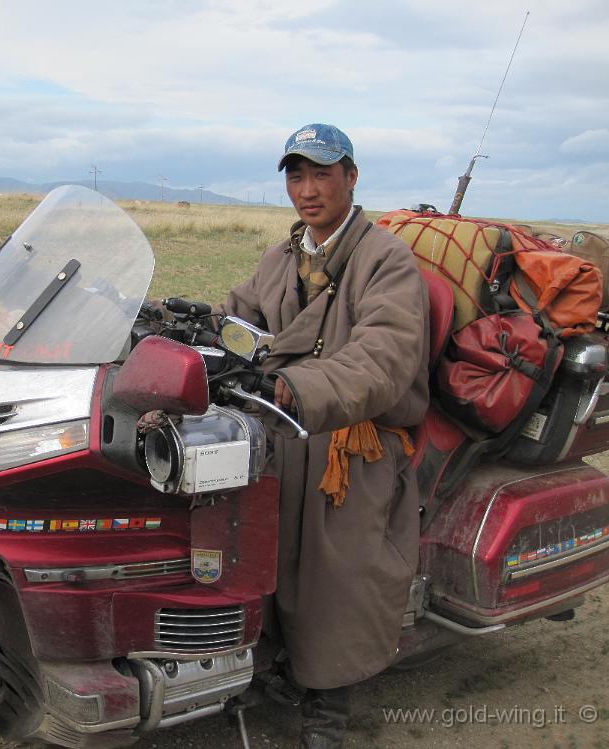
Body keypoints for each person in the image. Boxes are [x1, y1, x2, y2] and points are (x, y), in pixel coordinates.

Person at [221, 124, 429, 747]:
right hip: (283, 424)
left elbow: (383, 358)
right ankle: (261, 659)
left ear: (351, 178)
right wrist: (186, 328)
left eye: (321, 175)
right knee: (246, 532)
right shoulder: (282, 258)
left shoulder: (385, 260)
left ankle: (330, 702)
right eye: (296, 176)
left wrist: (295, 388)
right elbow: (240, 318)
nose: (307, 190)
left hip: (354, 438)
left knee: (336, 562)